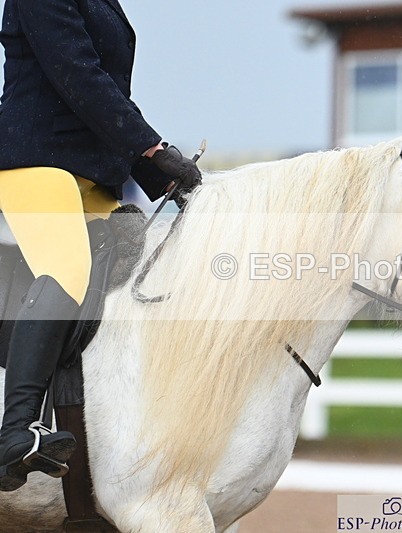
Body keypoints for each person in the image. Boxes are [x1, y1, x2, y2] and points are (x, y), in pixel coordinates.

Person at [0, 0, 202, 491]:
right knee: (67, 270)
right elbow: (79, 79)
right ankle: (15, 431)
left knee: (149, 273)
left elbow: (109, 97)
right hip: (36, 162)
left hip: (93, 174)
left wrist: (159, 174)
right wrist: (153, 148)